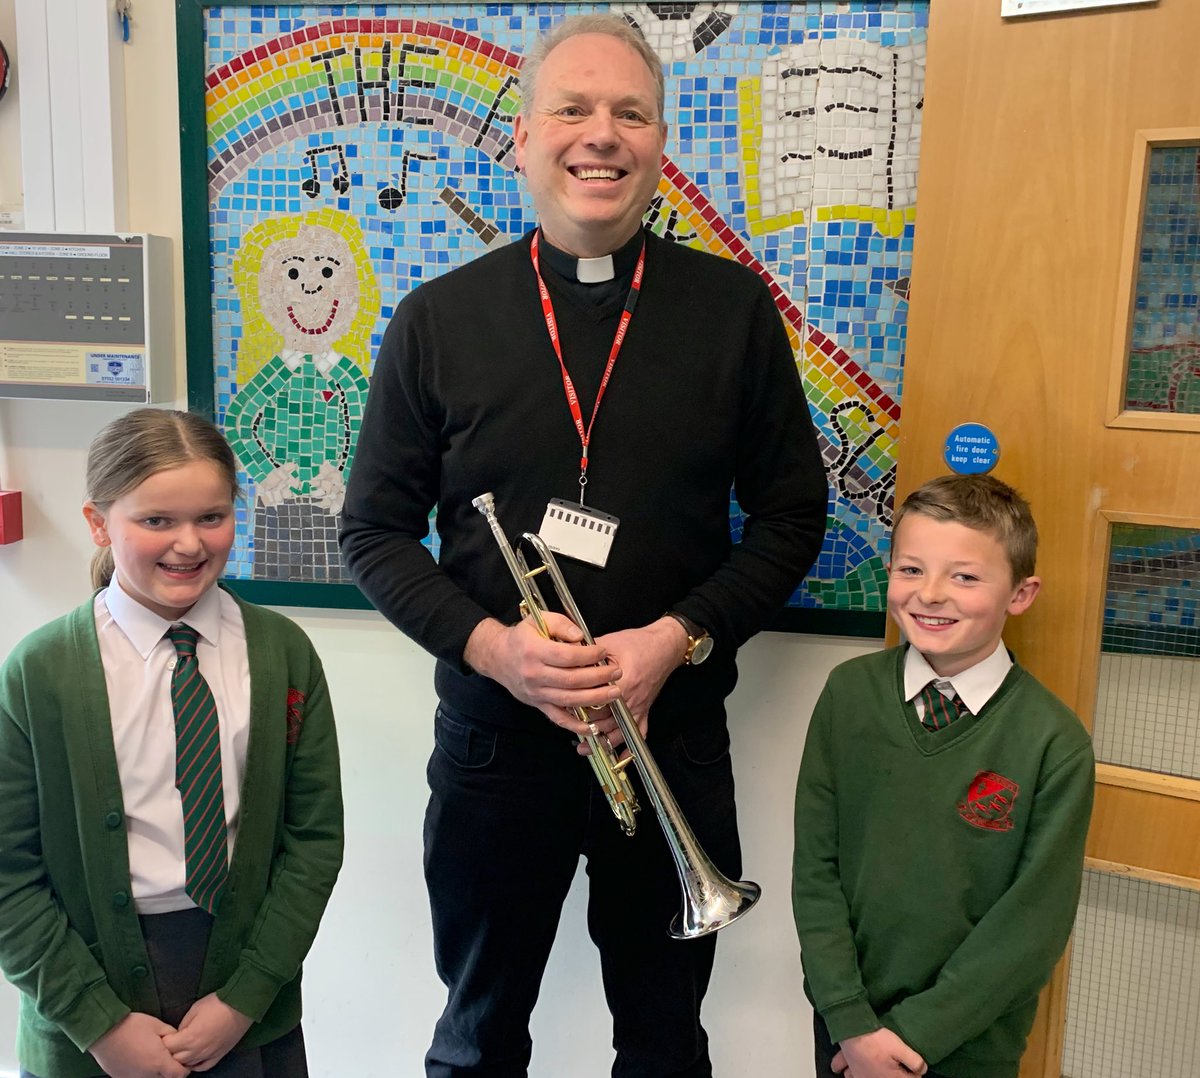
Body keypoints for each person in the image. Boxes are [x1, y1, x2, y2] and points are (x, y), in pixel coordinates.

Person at [339, 12, 827, 1077]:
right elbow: (372, 533)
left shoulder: (735, 312)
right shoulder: (434, 320)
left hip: (676, 734)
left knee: (664, 1040)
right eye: (572, 107)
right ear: (522, 138)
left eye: (629, 113)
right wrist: (491, 649)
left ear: (661, 144)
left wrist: (677, 637)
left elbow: (794, 519)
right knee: (475, 1038)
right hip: (494, 747)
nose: (599, 135)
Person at [0, 408, 344, 1078]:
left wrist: (244, 999)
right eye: (156, 521)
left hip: (244, 984)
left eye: (211, 517)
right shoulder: (38, 671)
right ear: (99, 523)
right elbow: (7, 871)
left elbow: (314, 842)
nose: (188, 543)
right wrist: (99, 1025)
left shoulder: (283, 654)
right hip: (86, 995)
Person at [792, 474, 1095, 1078]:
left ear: (1021, 593)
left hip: (967, 1046)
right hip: (845, 1036)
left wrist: (913, 1040)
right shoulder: (847, 695)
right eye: (910, 569)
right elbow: (815, 868)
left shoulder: (1054, 742)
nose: (930, 594)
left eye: (965, 576)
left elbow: (1030, 929)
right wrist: (852, 1023)